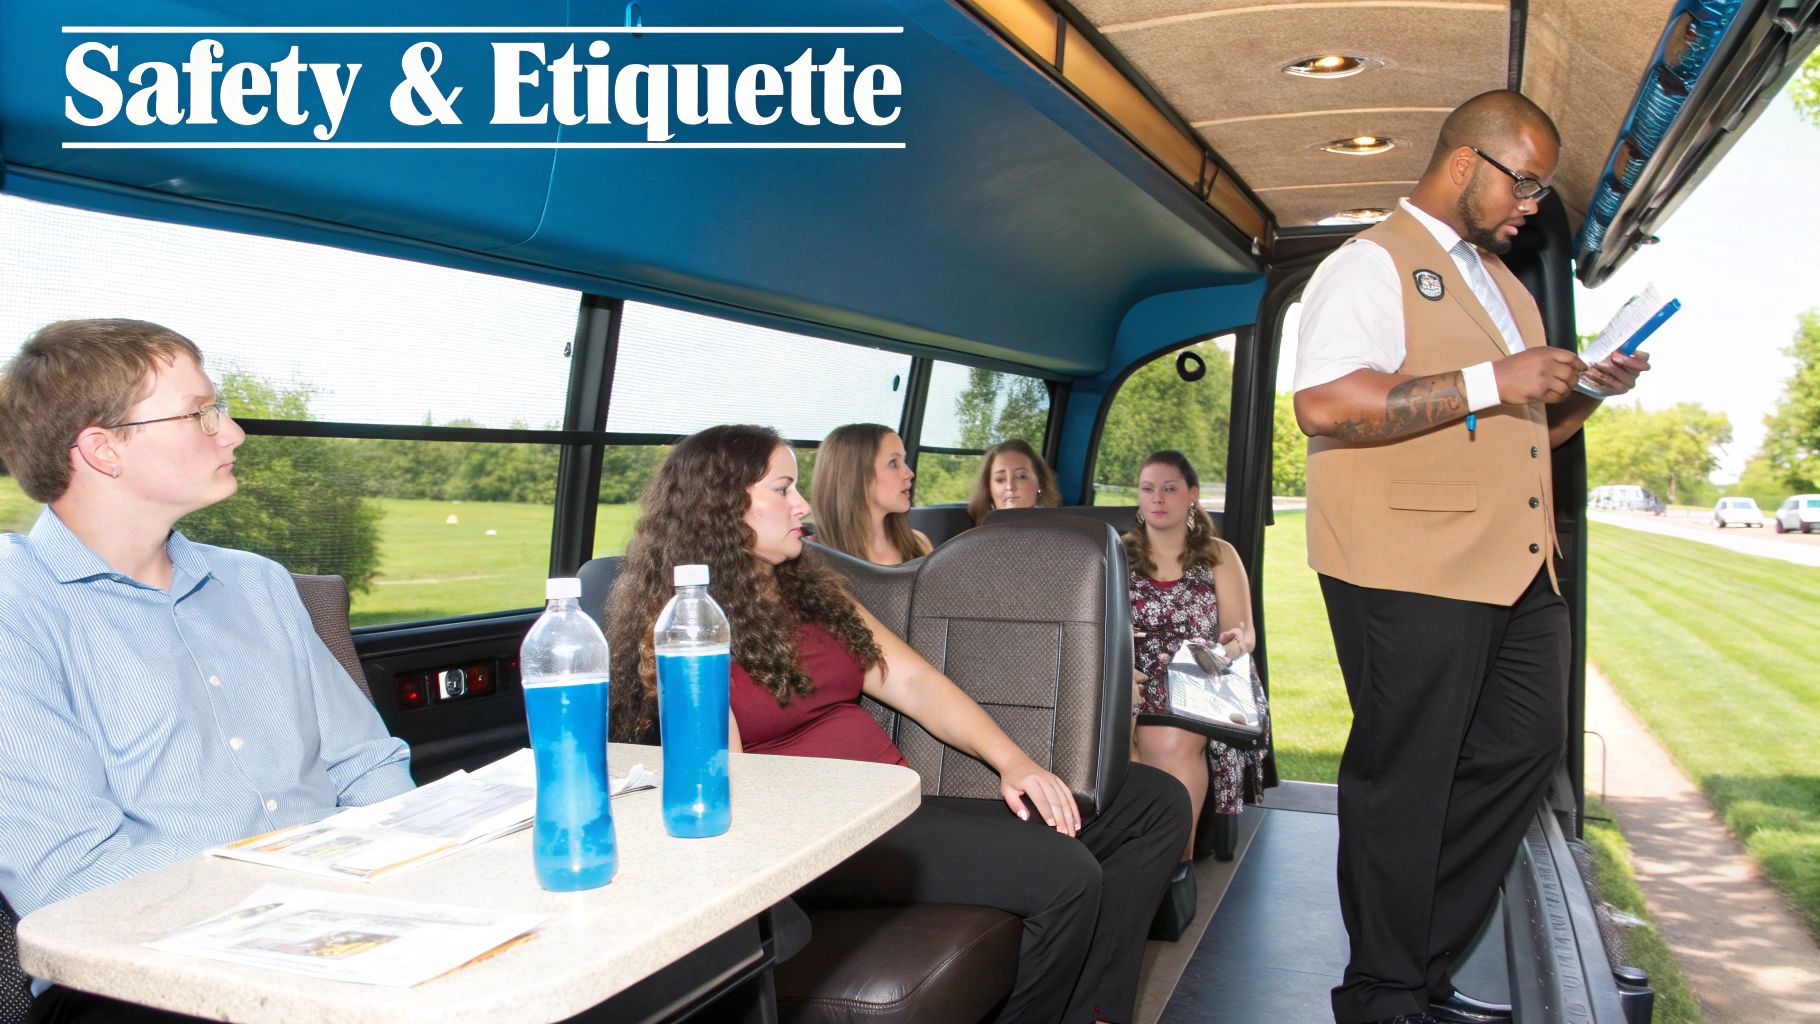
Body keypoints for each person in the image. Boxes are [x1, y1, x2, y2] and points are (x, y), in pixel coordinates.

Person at [607, 424, 1190, 1024]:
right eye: (783, 489)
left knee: (1155, 803)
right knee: (1065, 875)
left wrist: (1015, 762)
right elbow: (727, 783)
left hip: (899, 800)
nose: (802, 505)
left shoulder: (810, 591)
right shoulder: (686, 629)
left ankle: (1095, 1012)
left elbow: (915, 683)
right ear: (723, 506)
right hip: (832, 834)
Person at [1291, 91, 1648, 1024]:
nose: (1531, 202)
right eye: (1523, 180)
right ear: (1465, 165)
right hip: (1405, 563)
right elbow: (1325, 405)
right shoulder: (1367, 265)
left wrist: (1589, 389)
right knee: (1403, 781)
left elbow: (1521, 427)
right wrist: (1501, 376)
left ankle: (1418, 967)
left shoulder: (1505, 280)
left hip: (1518, 565)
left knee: (1526, 747)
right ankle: (1382, 995)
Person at [0, 320, 413, 1022]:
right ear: (103, 448)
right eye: (201, 414)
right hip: (143, 974)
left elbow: (365, 762)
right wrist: (302, 898)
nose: (233, 433)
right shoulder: (17, 612)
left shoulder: (259, 582)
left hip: (344, 923)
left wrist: (408, 873)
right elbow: (74, 879)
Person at [1123, 451, 1262, 863]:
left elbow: (1244, 635)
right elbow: (1096, 627)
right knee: (1115, 736)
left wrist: (1227, 647)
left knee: (1166, 741)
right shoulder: (1115, 553)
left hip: (1200, 673)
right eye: (1148, 489)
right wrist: (1115, 662)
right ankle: (1128, 858)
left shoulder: (1219, 554)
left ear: (1193, 495)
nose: (1158, 498)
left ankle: (1171, 865)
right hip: (1129, 672)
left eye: (1170, 488)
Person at [808, 422, 931, 564]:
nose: (909, 473)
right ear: (855, 475)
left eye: (904, 461)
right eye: (893, 463)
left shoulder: (919, 544)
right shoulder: (812, 559)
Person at [966, 438, 1061, 524]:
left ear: (1040, 482)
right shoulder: (975, 538)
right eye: (1000, 480)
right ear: (988, 489)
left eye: (1020, 476)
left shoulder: (1059, 533)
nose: (1010, 487)